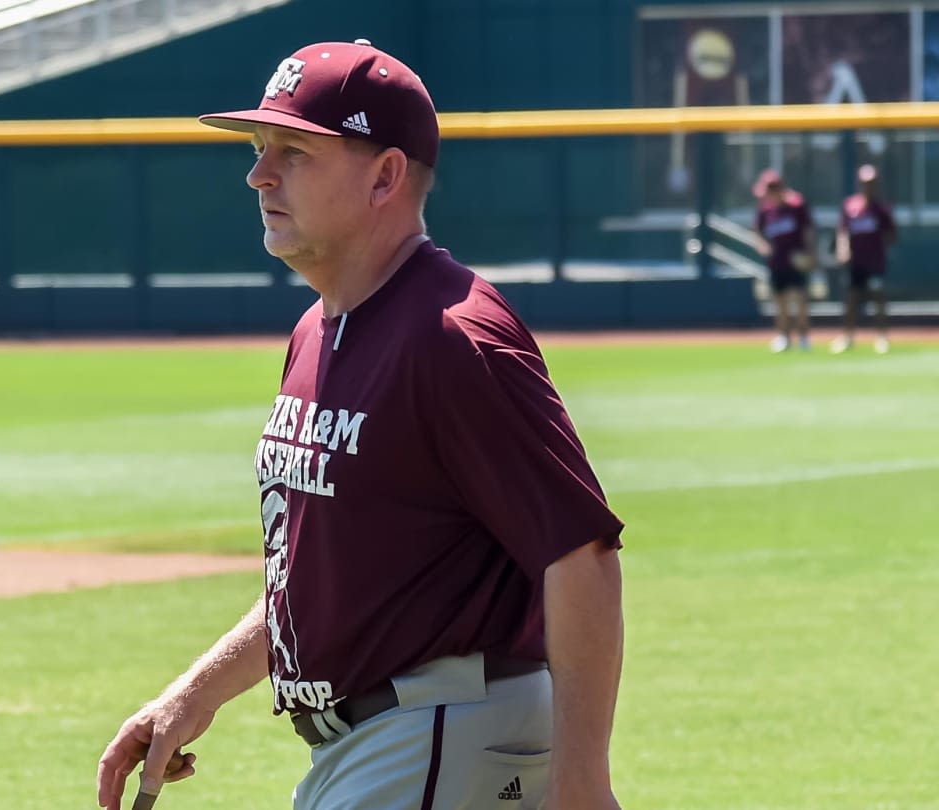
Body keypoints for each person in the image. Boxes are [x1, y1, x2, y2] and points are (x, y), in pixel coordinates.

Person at [96, 39, 626, 810]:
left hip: (440, 733)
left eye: (296, 152)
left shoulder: (453, 337)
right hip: (375, 746)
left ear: (386, 176)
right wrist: (198, 691)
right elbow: (321, 581)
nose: (259, 174)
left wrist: (582, 784)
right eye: (258, 147)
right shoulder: (317, 331)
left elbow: (580, 554)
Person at [832, 164, 898, 354]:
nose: (868, 186)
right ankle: (848, 336)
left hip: (875, 261)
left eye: (871, 182)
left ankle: (882, 337)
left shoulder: (881, 208)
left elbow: (892, 234)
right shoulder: (850, 206)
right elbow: (842, 231)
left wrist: (878, 245)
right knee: (852, 298)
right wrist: (843, 250)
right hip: (856, 262)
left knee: (878, 297)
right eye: (864, 182)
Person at [752, 169, 817, 352]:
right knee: (780, 302)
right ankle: (784, 337)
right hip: (776, 262)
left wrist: (810, 253)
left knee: (799, 300)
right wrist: (763, 246)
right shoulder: (766, 210)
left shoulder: (796, 206)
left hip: (796, 262)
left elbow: (808, 230)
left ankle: (804, 338)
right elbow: (756, 232)